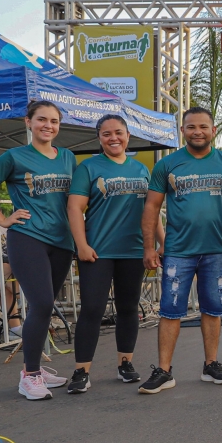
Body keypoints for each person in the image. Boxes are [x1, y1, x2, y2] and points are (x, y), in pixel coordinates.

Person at [138, 107, 222, 394]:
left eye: (203, 127)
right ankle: (164, 371)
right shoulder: (167, 165)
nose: (197, 132)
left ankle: (211, 365)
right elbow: (151, 206)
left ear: (213, 130)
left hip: (216, 250)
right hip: (178, 251)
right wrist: (149, 247)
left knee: (213, 308)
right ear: (182, 131)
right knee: (170, 310)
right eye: (191, 127)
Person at [0, 100, 76, 401]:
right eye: (41, 119)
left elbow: (76, 199)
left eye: (54, 121)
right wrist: (2, 219)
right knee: (41, 303)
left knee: (46, 307)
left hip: (62, 241)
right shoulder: (14, 156)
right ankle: (29, 376)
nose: (48, 126)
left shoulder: (67, 157)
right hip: (28, 237)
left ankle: (36, 367)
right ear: (28, 122)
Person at [65, 115, 153, 394]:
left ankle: (125, 364)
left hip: (133, 250)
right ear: (99, 138)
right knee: (92, 309)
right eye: (106, 134)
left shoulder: (141, 169)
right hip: (97, 251)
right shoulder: (88, 167)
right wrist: (81, 245)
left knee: (128, 308)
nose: (113, 138)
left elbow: (151, 212)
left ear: (128, 136)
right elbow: (74, 208)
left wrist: (157, 244)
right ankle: (81, 371)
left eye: (118, 132)